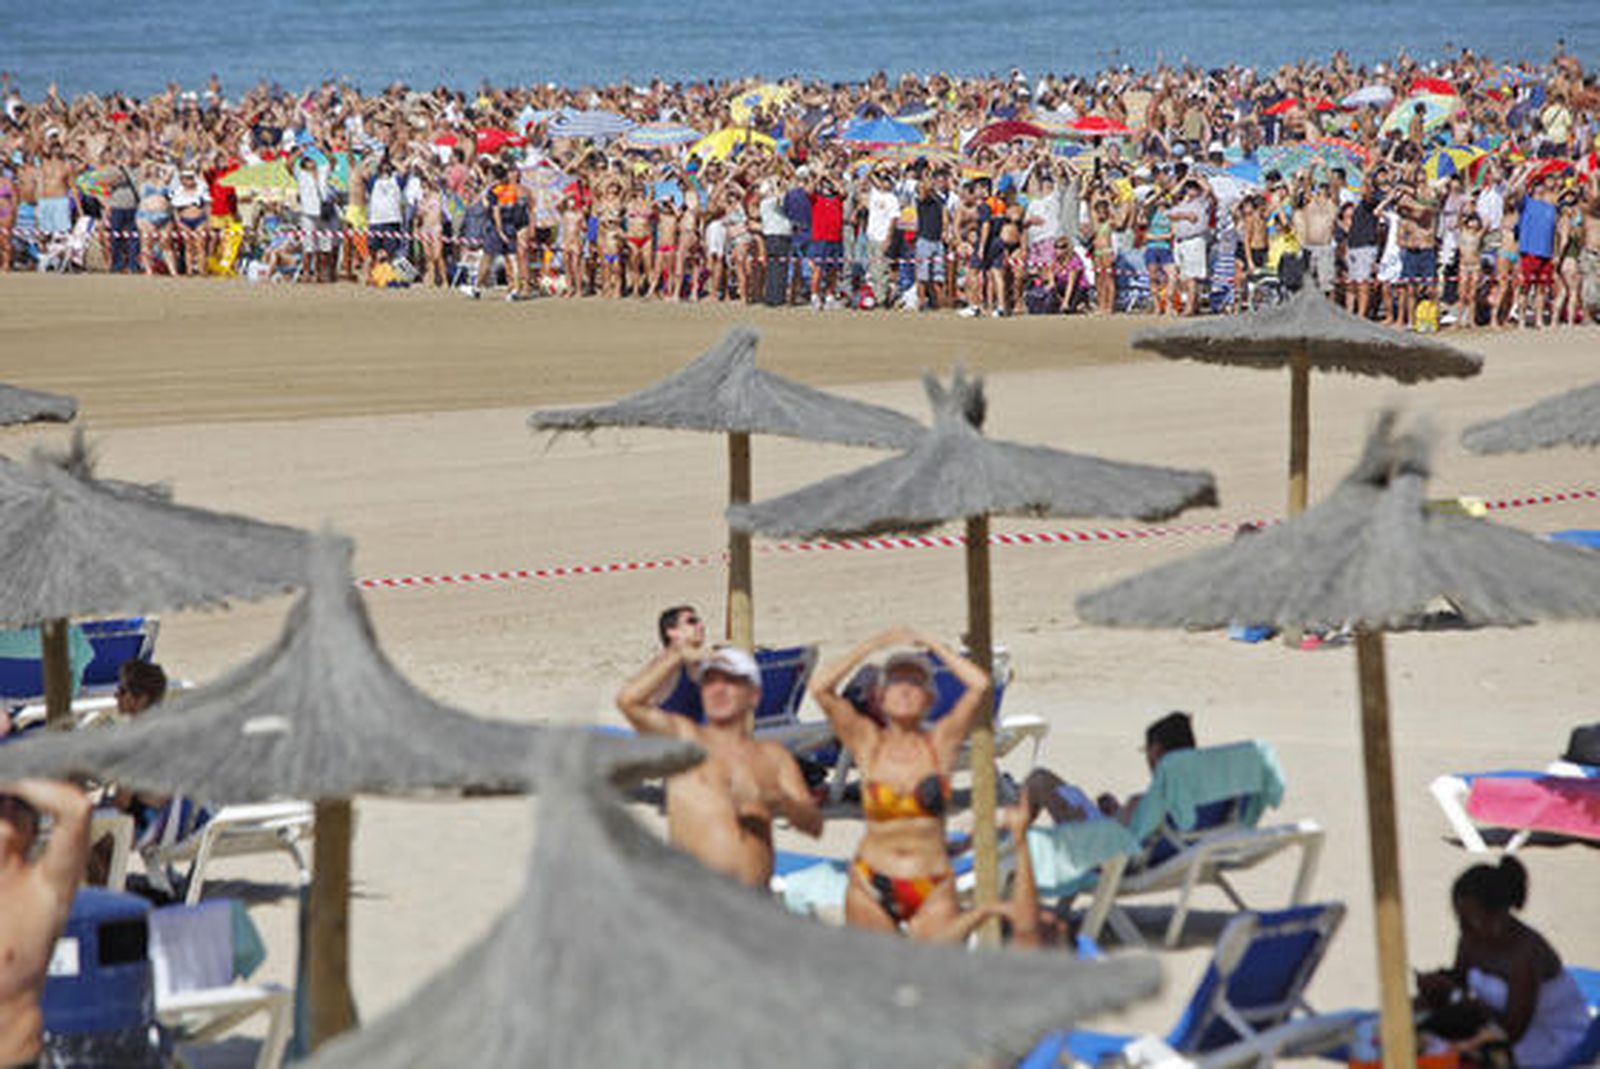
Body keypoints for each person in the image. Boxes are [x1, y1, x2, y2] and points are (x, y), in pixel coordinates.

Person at [809, 627, 989, 938]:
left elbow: (981, 685)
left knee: (935, 978)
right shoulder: (867, 742)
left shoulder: (941, 743)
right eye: (895, 682)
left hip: (930, 884)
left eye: (915, 682)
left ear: (930, 697)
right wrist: (870, 645)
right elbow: (820, 688)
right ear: (879, 696)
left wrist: (936, 646)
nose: (905, 689)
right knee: (876, 979)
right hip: (871, 880)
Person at [616, 645, 821, 887]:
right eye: (710, 682)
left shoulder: (773, 757)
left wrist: (774, 800)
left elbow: (813, 825)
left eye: (730, 682)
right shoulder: (684, 739)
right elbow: (629, 702)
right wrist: (676, 655)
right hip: (697, 903)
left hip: (755, 906)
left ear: (753, 695)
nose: (718, 690)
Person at [1416, 857, 1589, 1067]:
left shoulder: (1526, 954)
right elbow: (1460, 980)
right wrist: (1437, 984)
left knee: (1472, 1058)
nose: (1462, 927)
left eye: (1469, 920)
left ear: (1498, 915)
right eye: (1458, 918)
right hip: (1493, 1024)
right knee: (1416, 1028)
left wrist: (1457, 996)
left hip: (1546, 1037)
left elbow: (1512, 1031)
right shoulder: (1470, 938)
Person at [0, 778, 91, 1068]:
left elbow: (76, 809)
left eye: (21, 807)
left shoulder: (45, 891)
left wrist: (12, 775)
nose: (8, 808)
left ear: (35, 829)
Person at [1022, 711, 1196, 826]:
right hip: (1120, 841)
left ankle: (1006, 840)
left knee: (1039, 780)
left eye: (1147, 751)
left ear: (1156, 751)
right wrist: (1117, 811)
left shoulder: (1157, 798)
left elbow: (1118, 838)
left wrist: (1110, 815)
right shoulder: (1198, 795)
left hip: (1101, 851)